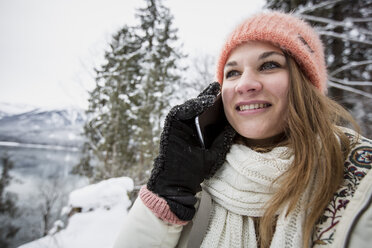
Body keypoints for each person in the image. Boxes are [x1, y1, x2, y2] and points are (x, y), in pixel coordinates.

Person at [113, 11, 372, 248]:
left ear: (306, 85)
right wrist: (166, 194)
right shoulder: (197, 185)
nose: (244, 84)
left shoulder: (362, 180)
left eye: (269, 65)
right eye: (233, 72)